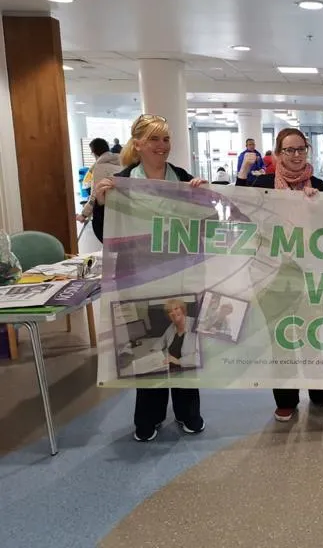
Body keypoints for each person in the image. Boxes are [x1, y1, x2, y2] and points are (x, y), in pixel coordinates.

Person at [92, 114, 208, 442]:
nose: (162, 146)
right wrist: (102, 203)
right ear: (138, 144)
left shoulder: (184, 179)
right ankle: (149, 416)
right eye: (154, 139)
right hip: (140, 278)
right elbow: (105, 235)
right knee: (148, 348)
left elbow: (207, 228)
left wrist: (205, 200)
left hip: (182, 275)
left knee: (183, 346)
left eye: (166, 139)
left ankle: (189, 413)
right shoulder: (120, 182)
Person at [236, 127, 323, 421]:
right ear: (279, 152)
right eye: (289, 150)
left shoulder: (321, 186)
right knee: (280, 339)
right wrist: (242, 175)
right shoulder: (265, 184)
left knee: (312, 336)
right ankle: (286, 398)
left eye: (300, 149)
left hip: (310, 273)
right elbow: (241, 209)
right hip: (272, 274)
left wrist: (316, 207)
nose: (296, 155)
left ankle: (320, 393)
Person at [76, 138, 121, 223]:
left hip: (107, 212)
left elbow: (95, 194)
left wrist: (83, 215)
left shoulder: (100, 167)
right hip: (122, 209)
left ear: (95, 152)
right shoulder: (120, 161)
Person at [159, 299, 201, 371]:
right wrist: (154, 353)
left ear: (183, 310)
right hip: (169, 367)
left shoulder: (196, 324)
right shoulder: (172, 326)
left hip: (188, 371)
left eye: (176, 308)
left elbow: (203, 356)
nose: (173, 312)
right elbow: (161, 342)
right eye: (170, 311)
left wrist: (179, 361)